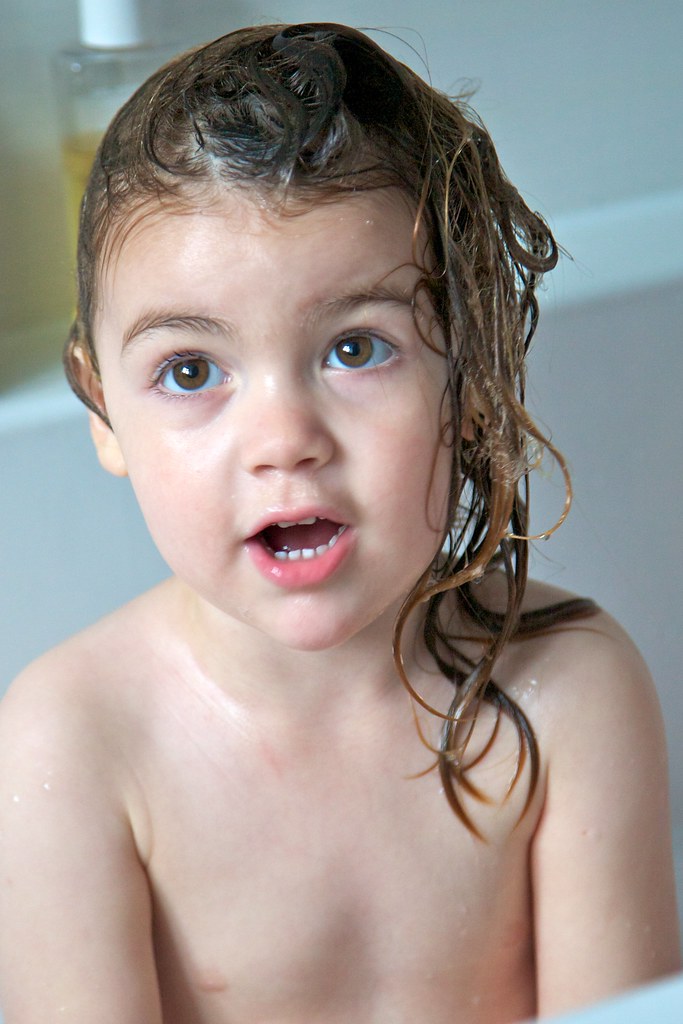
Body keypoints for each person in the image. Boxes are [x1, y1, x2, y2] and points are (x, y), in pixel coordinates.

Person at [0, 22, 679, 1024]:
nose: (284, 440)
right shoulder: (75, 743)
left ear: (468, 372)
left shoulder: (568, 695)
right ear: (103, 409)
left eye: (356, 348)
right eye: (190, 371)